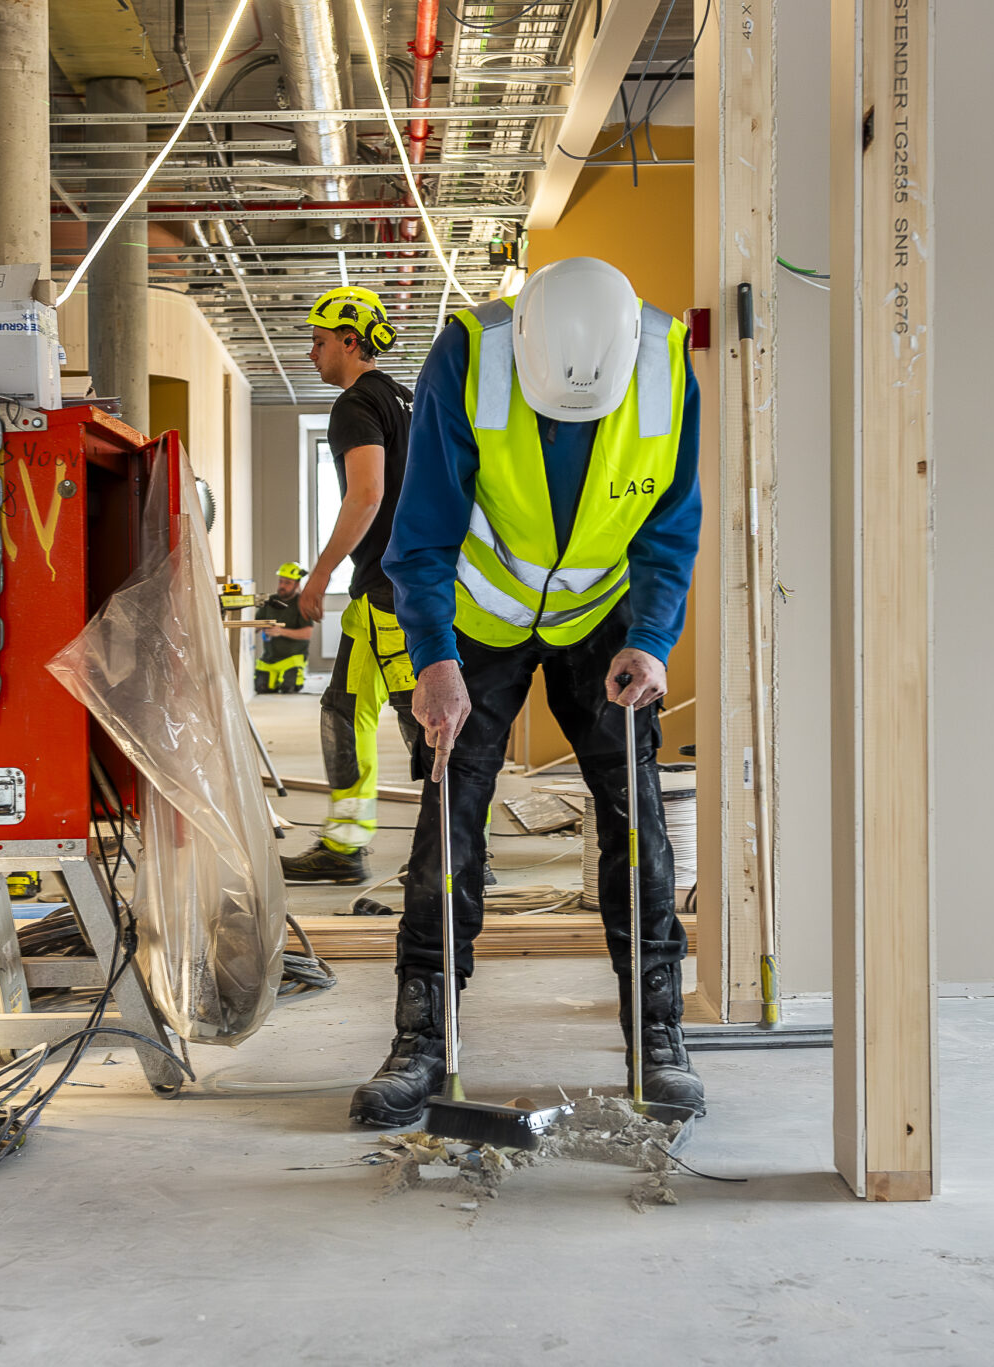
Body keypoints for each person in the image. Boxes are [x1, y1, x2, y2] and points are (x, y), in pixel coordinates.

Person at [349, 257, 707, 1126]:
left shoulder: (663, 360)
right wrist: (434, 657)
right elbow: (423, 528)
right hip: (477, 617)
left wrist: (652, 642)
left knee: (637, 819)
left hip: (602, 622)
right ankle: (422, 1038)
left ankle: (656, 1036)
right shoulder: (470, 354)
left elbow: (670, 526)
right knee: (449, 815)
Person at [278, 287, 423, 885]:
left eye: (318, 342)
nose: (311, 355)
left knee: (423, 717)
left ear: (350, 341)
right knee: (348, 709)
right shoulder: (405, 399)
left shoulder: (356, 405)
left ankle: (458, 848)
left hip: (389, 588)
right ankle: (346, 846)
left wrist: (320, 572)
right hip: (408, 582)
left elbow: (367, 494)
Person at [253, 562, 314, 694]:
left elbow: (307, 633)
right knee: (261, 688)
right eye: (281, 581)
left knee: (288, 688)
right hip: (269, 659)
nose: (282, 586)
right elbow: (255, 625)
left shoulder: (302, 603)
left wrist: (280, 631)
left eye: (287, 583)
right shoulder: (270, 601)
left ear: (297, 585)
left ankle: (294, 677)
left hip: (292, 659)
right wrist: (259, 626)